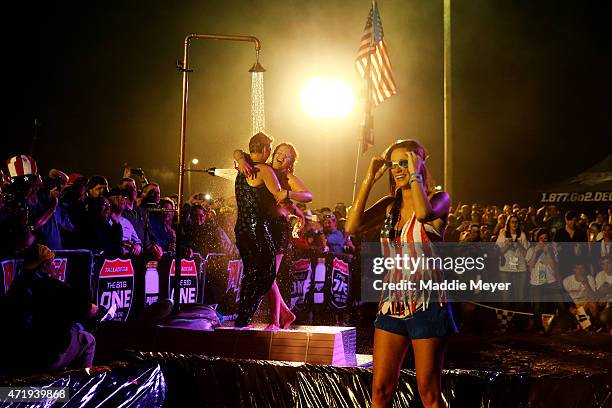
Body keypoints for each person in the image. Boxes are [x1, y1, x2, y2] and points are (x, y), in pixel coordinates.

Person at [346, 139, 456, 408]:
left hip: (427, 304)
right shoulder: (388, 205)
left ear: (419, 161)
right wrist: (369, 180)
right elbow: (351, 227)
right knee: (381, 388)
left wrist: (416, 175)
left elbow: (422, 214)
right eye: (392, 164)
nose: (396, 169)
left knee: (428, 391)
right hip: (390, 305)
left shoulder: (439, 199)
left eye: (403, 162)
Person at [236, 141, 312, 329]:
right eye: (280, 152)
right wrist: (240, 159)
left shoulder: (288, 177)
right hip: (263, 226)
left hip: (277, 228)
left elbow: (308, 195)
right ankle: (284, 316)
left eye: (288, 156)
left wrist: (289, 194)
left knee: (270, 275)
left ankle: (277, 320)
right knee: (268, 276)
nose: (282, 157)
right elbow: (238, 151)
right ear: (273, 153)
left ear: (291, 162)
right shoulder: (264, 169)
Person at [0, 243, 97, 374]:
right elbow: (88, 310)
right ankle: (80, 389)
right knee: (88, 340)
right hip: (45, 358)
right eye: (52, 262)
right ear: (45, 265)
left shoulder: (16, 286)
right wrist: (95, 308)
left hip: (17, 356)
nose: (54, 265)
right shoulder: (54, 286)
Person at [233, 132, 291, 328]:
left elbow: (237, 151)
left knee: (251, 273)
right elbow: (279, 196)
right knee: (266, 273)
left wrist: (240, 157)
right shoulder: (264, 170)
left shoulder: (242, 167)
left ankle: (244, 318)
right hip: (257, 229)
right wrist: (298, 197)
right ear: (266, 150)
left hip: (241, 229)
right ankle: (244, 317)